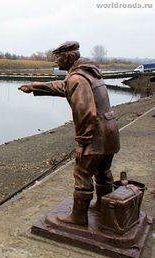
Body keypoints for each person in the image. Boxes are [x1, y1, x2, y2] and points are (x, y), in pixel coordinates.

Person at [19, 41, 120, 226]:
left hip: (95, 135)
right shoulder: (87, 73)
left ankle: (78, 218)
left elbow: (85, 112)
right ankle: (102, 207)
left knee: (82, 174)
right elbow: (63, 86)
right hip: (110, 131)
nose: (56, 62)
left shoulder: (77, 79)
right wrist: (34, 86)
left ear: (67, 57)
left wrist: (82, 143)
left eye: (57, 58)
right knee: (103, 171)